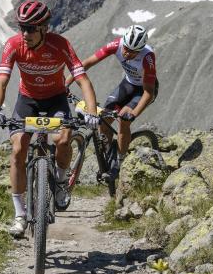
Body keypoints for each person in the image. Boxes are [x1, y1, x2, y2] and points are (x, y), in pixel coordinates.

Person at [0, 0, 99, 237]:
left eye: (30, 28)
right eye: (22, 27)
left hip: (56, 99)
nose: (25, 33)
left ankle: (59, 182)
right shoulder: (14, 44)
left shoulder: (60, 45)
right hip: (27, 101)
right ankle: (19, 214)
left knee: (62, 139)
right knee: (18, 150)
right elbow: (3, 80)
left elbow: (83, 80)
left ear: (44, 28)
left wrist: (91, 113)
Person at [66, 25, 158, 179]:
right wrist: (66, 83)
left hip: (144, 90)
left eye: (132, 52)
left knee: (123, 119)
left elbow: (149, 92)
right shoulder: (117, 45)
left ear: (140, 50)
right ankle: (109, 155)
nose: (126, 53)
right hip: (128, 84)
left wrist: (133, 114)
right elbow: (87, 63)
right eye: (126, 48)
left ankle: (120, 164)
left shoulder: (147, 57)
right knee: (104, 117)